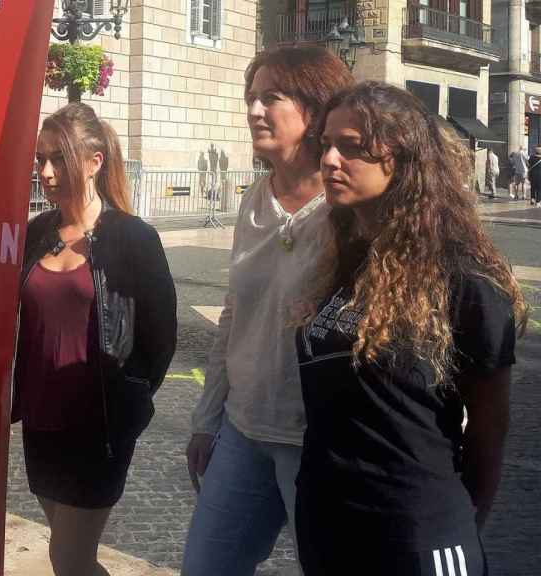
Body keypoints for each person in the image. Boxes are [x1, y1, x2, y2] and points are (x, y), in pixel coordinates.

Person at [298, 80, 525, 575]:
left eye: (352, 147)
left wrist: (460, 522)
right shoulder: (347, 259)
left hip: (415, 528)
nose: (331, 159)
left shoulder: (466, 280)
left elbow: (489, 428)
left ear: (401, 158)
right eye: (326, 145)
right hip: (328, 519)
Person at [181, 46, 353, 576]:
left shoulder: (349, 206)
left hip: (320, 441)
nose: (255, 110)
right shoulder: (254, 199)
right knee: (207, 566)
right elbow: (235, 315)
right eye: (251, 98)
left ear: (315, 109)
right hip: (245, 429)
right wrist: (206, 418)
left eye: (272, 98)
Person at [14, 102, 177, 576]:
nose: (44, 172)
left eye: (58, 159)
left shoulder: (133, 238)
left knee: (67, 557)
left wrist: (130, 400)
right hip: (41, 420)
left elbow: (159, 339)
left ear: (94, 161)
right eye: (40, 159)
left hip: (98, 426)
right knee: (72, 559)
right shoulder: (37, 232)